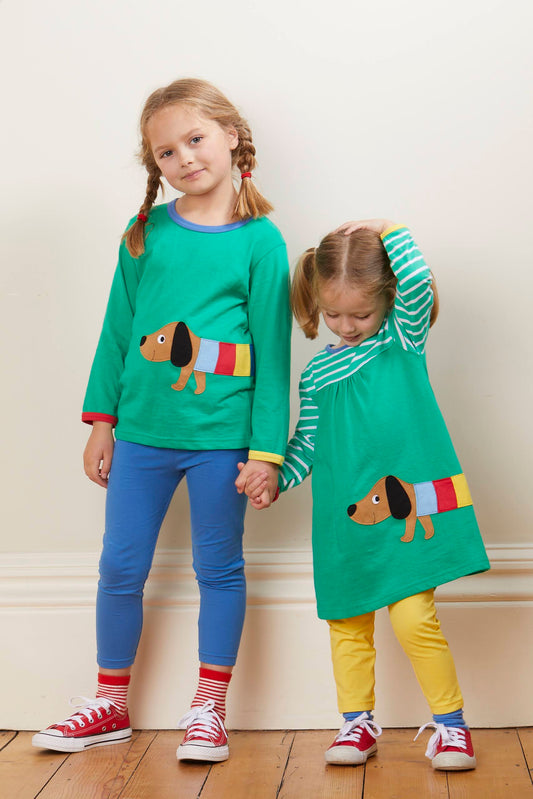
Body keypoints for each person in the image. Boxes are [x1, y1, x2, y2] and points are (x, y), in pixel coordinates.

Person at [32, 78, 291, 762]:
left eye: (195, 139)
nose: (184, 158)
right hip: (142, 436)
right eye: (166, 152)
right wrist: (101, 422)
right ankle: (109, 704)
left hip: (222, 442)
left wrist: (266, 452)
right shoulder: (144, 233)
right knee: (119, 566)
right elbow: (117, 332)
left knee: (218, 568)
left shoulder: (262, 242)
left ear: (231, 135)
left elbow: (273, 355)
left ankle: (209, 708)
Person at [242, 219, 489, 771]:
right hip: (344, 525)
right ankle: (357, 724)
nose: (346, 326)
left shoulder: (403, 341)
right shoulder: (317, 374)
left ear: (388, 301)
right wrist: (275, 477)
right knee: (348, 625)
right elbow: (308, 445)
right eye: (333, 314)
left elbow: (418, 280)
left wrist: (386, 229)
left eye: (361, 314)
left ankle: (452, 727)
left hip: (402, 521)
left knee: (414, 619)